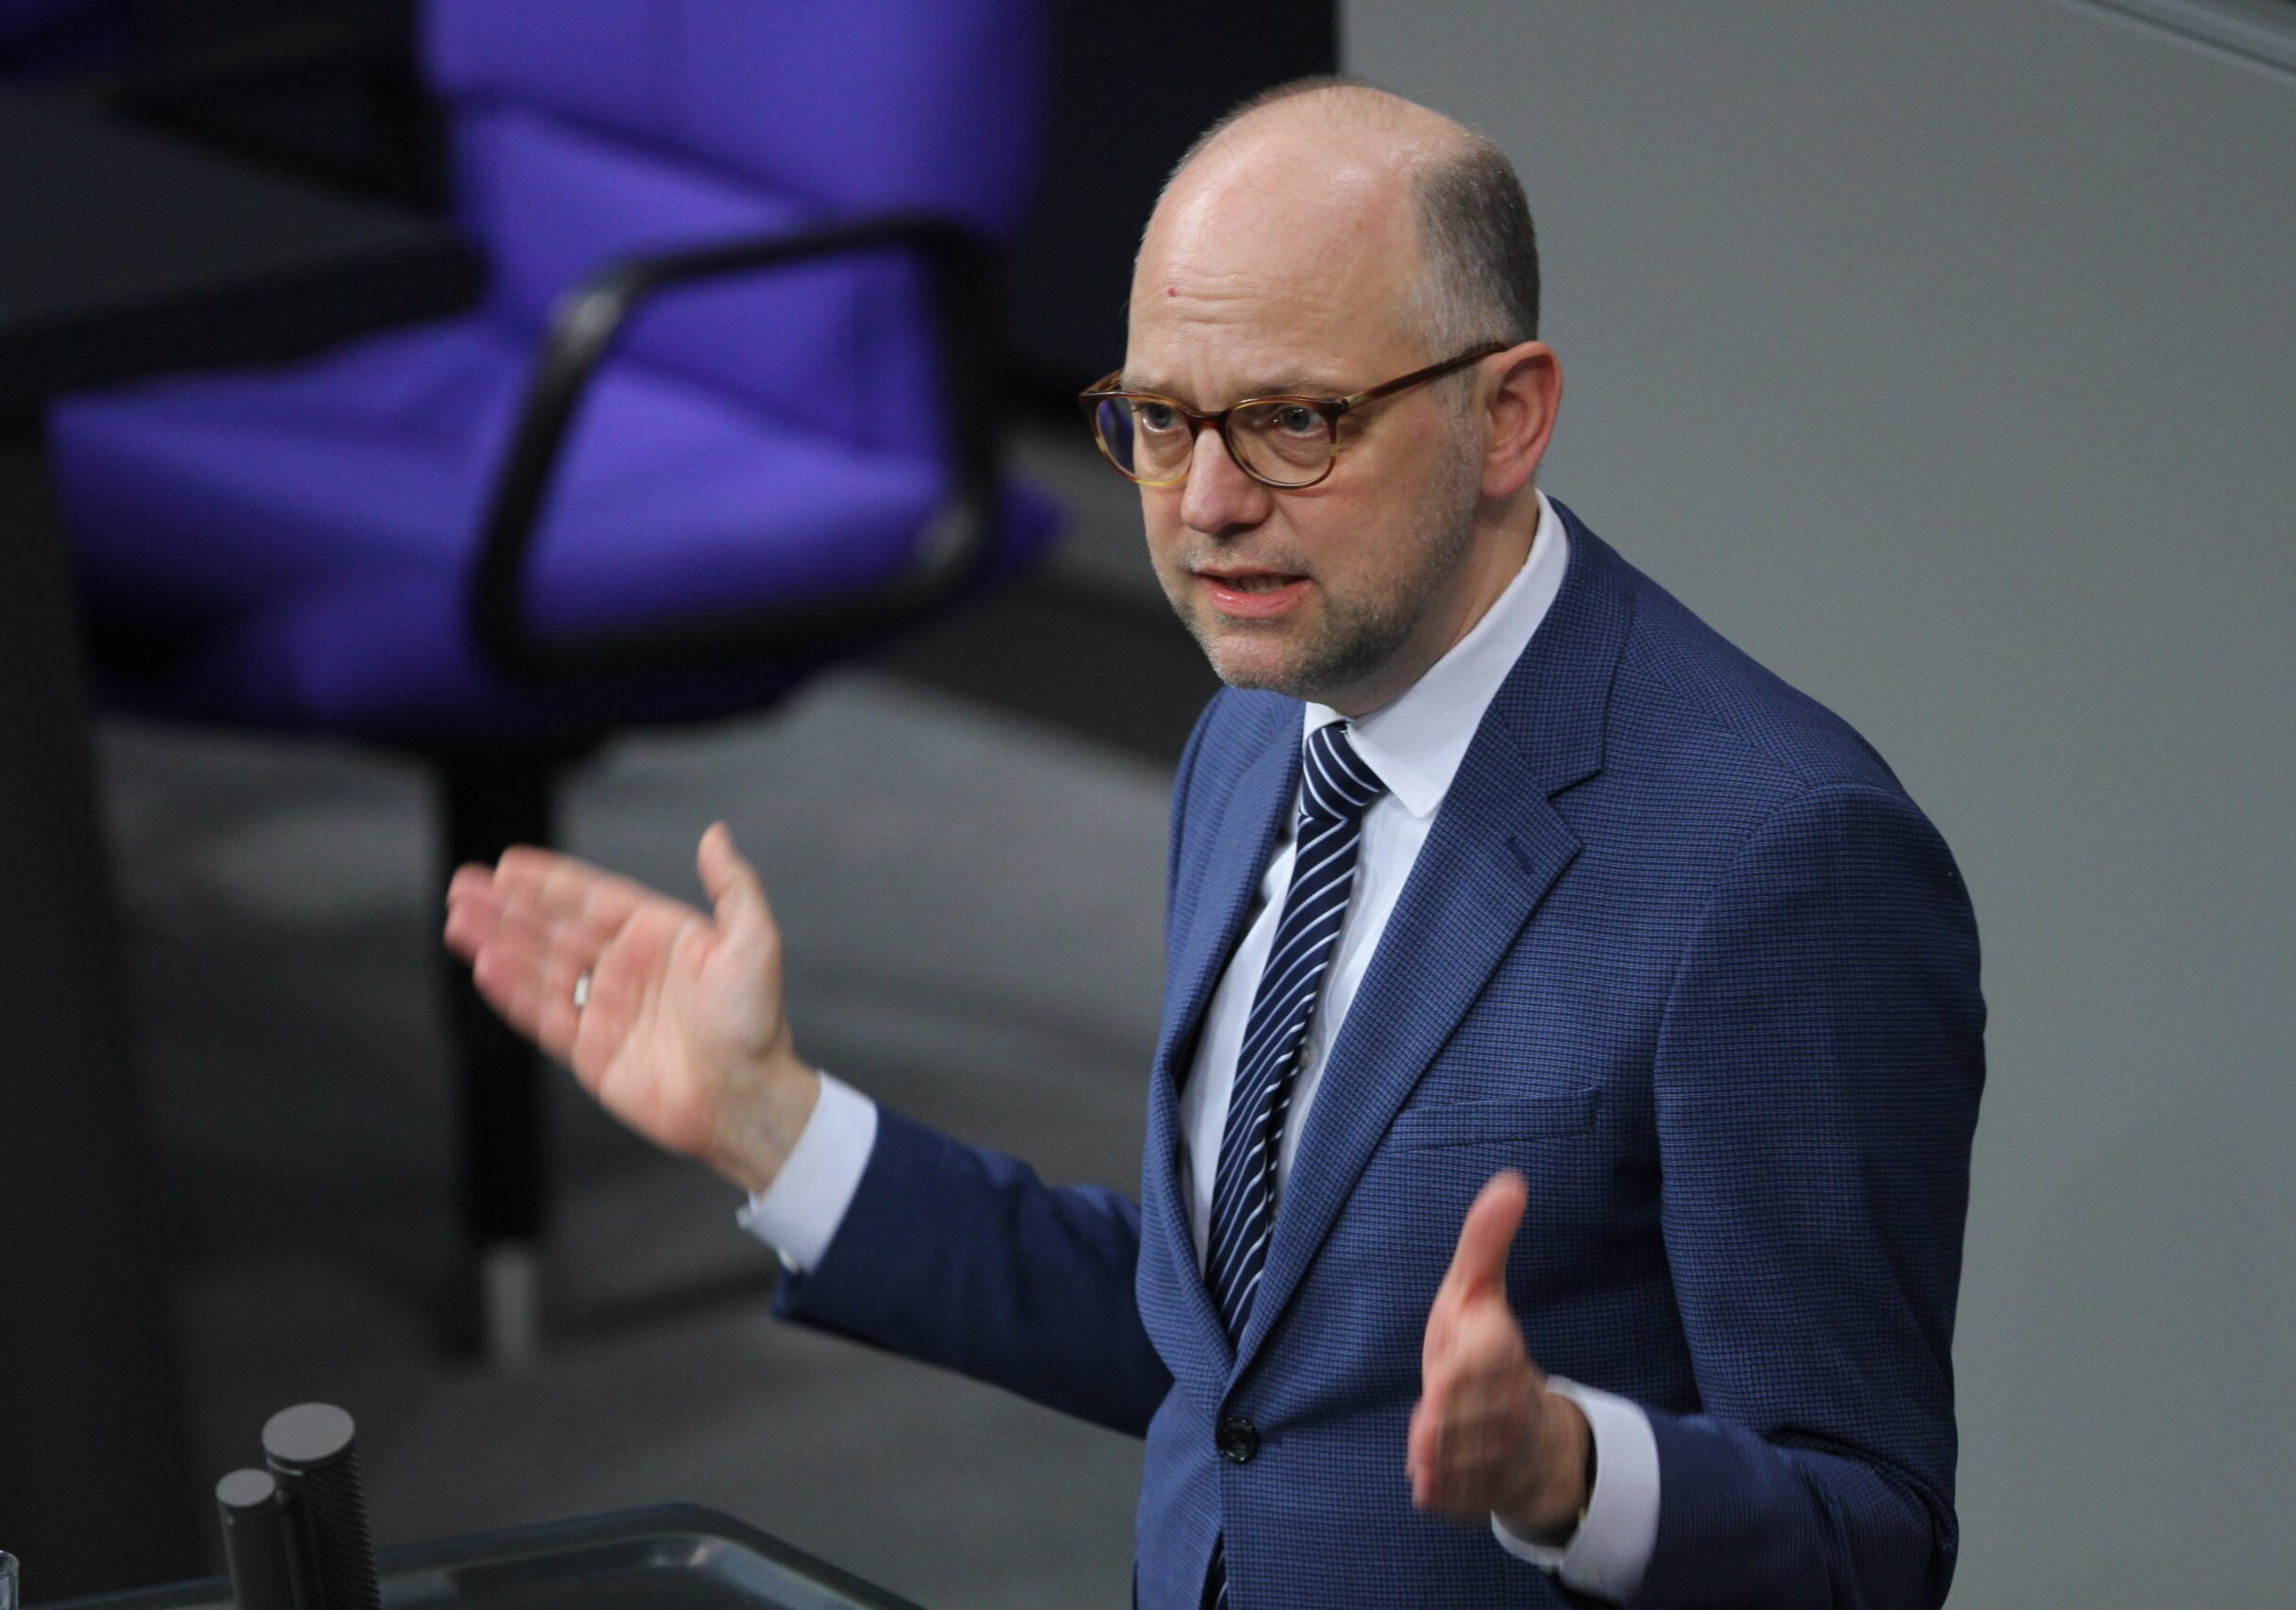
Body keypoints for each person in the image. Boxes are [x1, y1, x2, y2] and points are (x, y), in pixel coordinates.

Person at [445, 77, 1984, 1609]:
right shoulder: (1256, 729)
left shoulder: (1783, 865)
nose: (1206, 507)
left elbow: (1873, 1543)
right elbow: (1241, 1365)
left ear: (1506, 416)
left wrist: (1570, 1472)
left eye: (1295, 423)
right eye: (1161, 421)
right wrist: (767, 1123)